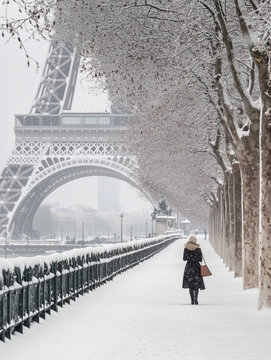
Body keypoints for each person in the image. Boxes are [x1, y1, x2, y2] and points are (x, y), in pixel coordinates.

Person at [182, 235, 205, 305]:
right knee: (196, 285)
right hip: (196, 267)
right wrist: (195, 258)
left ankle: (192, 300)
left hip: (189, 267)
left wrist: (190, 258)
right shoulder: (198, 249)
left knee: (190, 285)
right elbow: (200, 259)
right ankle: (196, 299)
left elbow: (184, 258)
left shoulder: (186, 249)